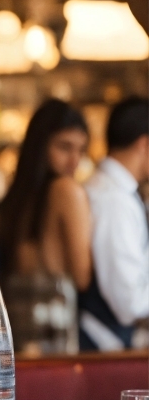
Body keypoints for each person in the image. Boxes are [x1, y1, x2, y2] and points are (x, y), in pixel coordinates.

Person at [0, 98, 92, 292]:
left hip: (20, 313)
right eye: (64, 147)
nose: (74, 160)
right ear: (39, 145)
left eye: (81, 150)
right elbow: (82, 278)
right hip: (58, 314)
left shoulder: (20, 197)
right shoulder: (67, 190)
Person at [79, 96, 149, 351]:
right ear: (144, 144)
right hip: (103, 349)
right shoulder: (113, 200)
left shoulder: (117, 192)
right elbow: (128, 303)